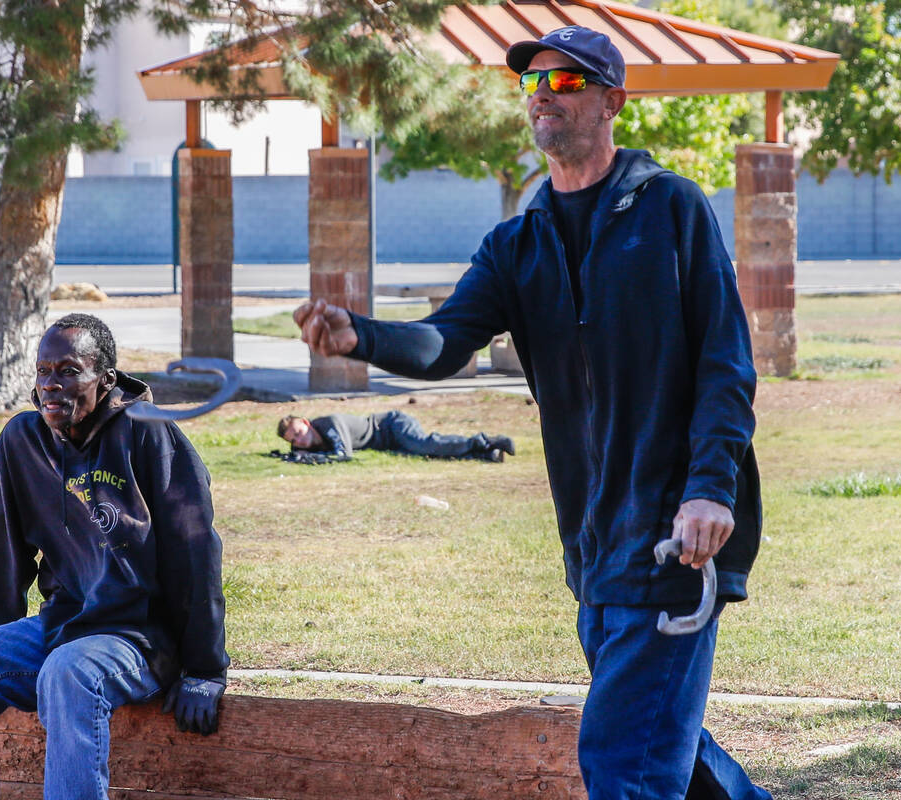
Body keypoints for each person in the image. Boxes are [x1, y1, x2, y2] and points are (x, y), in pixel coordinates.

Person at [294, 25, 767, 800]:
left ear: (614, 100)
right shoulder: (518, 244)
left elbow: (726, 363)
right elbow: (445, 342)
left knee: (624, 763)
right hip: (592, 550)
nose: (544, 92)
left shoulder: (673, 211)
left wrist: (710, 487)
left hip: (675, 542)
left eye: (568, 81)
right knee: (667, 745)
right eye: (532, 82)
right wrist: (362, 336)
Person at [0, 313, 230, 800]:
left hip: (140, 637)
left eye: (69, 371)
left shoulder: (149, 433)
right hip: (63, 625)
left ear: (105, 380)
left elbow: (195, 552)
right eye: (44, 371)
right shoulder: (23, 442)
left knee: (69, 673)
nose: (51, 385)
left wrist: (204, 670)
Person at [277, 410, 515, 462]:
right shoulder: (310, 443)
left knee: (423, 445)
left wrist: (306, 459)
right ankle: (488, 454)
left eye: (299, 433)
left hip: (391, 425)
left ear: (307, 423)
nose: (300, 441)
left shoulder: (330, 424)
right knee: (427, 455)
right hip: (388, 443)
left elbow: (343, 455)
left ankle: (487, 440)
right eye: (294, 441)